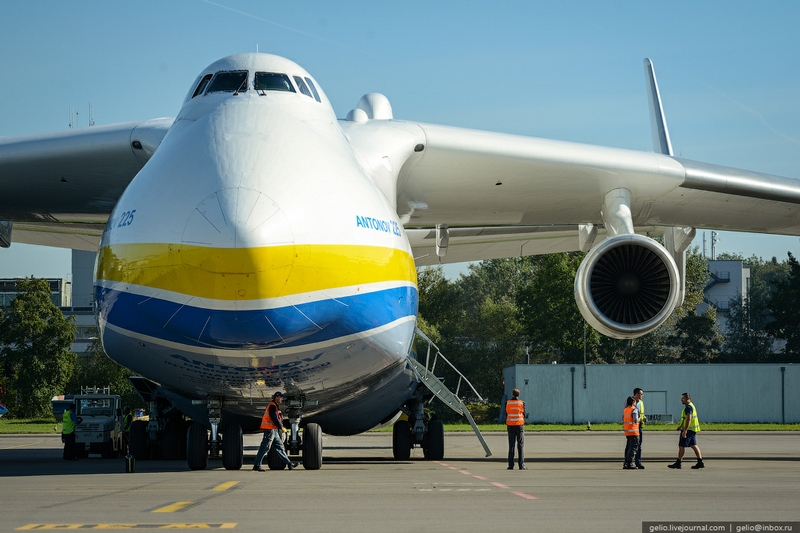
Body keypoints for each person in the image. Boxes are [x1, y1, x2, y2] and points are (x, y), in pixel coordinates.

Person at [253, 392, 298, 471]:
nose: (282, 399)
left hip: (273, 430)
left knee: (280, 447)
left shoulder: (275, 406)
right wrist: (281, 427)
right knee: (265, 448)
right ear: (276, 397)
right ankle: (257, 465)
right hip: (270, 430)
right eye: (281, 397)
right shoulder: (272, 406)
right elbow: (274, 418)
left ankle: (290, 464)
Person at [668, 392, 705, 469]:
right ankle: (700, 461)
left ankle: (678, 463)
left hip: (689, 430)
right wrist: (681, 426)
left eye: (683, 398)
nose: (681, 400)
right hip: (692, 430)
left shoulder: (688, 407)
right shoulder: (691, 406)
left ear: (688, 398)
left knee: (681, 446)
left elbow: (689, 419)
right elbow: (685, 419)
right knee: (693, 445)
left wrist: (685, 430)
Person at [505, 388, 526, 470]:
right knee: (520, 445)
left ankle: (511, 465)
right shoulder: (522, 403)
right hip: (519, 425)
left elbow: (506, 414)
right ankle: (521, 465)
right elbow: (523, 414)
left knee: (511, 446)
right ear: (519, 395)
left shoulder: (507, 403)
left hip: (510, 425)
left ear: (512, 394)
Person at [622, 396, 640, 469]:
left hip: (627, 432)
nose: (636, 403)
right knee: (633, 448)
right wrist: (640, 418)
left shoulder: (625, 410)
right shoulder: (634, 410)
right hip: (634, 432)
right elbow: (635, 420)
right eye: (635, 401)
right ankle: (630, 462)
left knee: (629, 447)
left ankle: (626, 462)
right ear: (633, 402)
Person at [633, 388, 647, 469]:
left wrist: (643, 418)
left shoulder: (641, 403)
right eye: (641, 394)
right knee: (631, 445)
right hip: (632, 426)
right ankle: (628, 461)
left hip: (639, 426)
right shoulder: (629, 401)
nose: (642, 396)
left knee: (639, 445)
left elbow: (641, 413)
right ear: (636, 394)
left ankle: (638, 462)